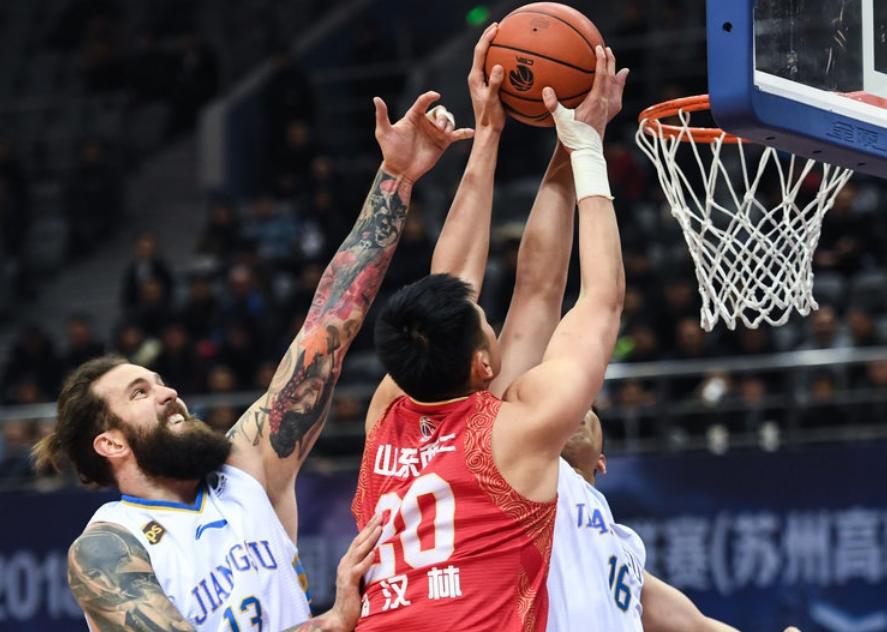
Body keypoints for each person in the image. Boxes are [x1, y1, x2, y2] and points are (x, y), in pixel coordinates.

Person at [32, 90, 473, 631]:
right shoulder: (107, 547)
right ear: (111, 443)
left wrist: (396, 177)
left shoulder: (245, 468)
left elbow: (327, 328)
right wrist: (329, 624)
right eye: (140, 393)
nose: (168, 392)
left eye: (159, 381)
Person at [352, 25, 625, 630]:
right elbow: (599, 300)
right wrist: (586, 149)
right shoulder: (518, 431)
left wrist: (493, 132)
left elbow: (465, 285)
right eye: (483, 320)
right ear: (482, 364)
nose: (486, 309)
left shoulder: (388, 409)